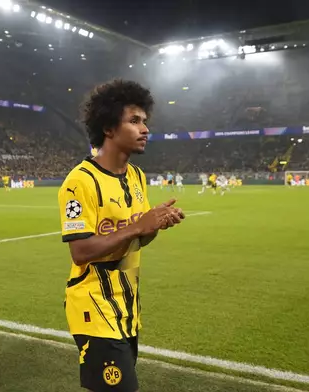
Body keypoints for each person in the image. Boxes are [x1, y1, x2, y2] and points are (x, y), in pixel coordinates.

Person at [58, 80, 184, 392]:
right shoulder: (80, 182)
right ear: (109, 129)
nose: (144, 129)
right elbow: (81, 251)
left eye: (145, 122)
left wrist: (155, 225)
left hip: (127, 308)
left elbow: (137, 239)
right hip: (93, 307)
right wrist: (138, 226)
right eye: (134, 121)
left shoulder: (137, 177)